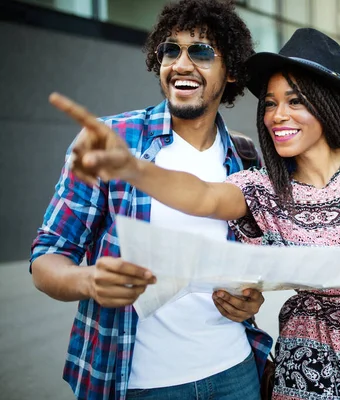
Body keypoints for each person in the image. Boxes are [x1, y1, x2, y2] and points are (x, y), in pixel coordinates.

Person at [49, 28, 340, 400]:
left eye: (294, 100)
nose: (276, 115)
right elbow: (201, 196)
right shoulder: (262, 185)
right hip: (307, 372)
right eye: (269, 103)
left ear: (328, 105)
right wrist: (133, 167)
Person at [30, 1, 273, 399]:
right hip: (140, 382)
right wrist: (88, 281)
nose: (180, 63)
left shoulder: (245, 156)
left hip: (235, 372)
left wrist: (250, 300)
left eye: (201, 51)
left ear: (230, 71)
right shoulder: (113, 141)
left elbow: (251, 263)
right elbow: (46, 259)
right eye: (170, 50)